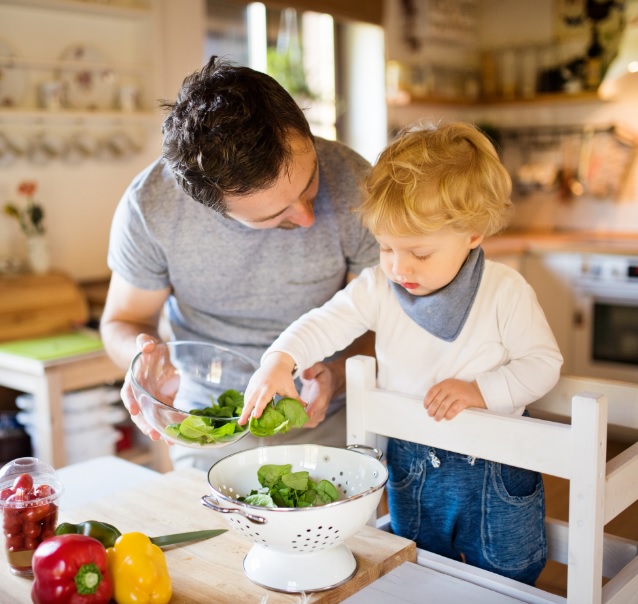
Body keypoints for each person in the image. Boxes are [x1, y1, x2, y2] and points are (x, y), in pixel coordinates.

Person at [240, 121, 564, 585]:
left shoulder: (505, 291)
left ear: (472, 233)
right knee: (420, 569)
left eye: (419, 252)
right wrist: (281, 359)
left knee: (508, 576)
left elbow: (543, 364)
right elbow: (325, 322)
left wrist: (481, 390)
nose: (398, 266)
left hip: (494, 469)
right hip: (412, 463)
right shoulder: (379, 287)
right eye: (386, 246)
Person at [99, 55, 378, 470]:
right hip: (208, 425)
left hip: (331, 418)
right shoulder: (151, 206)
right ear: (210, 206)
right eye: (273, 216)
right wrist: (144, 363)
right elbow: (123, 320)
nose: (307, 217)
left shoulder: (356, 183)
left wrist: (336, 375)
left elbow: (384, 316)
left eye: (310, 182)